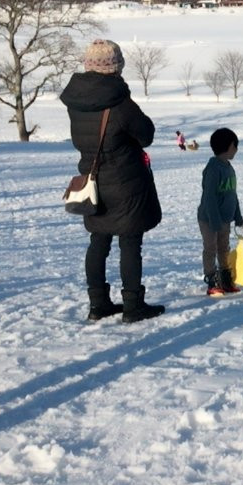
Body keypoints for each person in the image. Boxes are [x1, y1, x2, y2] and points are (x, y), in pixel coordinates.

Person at [60, 39, 164, 323]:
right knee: (130, 243)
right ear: (116, 67)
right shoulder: (119, 102)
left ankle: (98, 304)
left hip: (92, 179)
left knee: (99, 241)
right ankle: (133, 305)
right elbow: (146, 135)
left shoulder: (75, 101)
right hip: (126, 182)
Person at [197, 128, 243, 297]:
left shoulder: (229, 168)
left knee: (224, 249)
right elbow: (209, 197)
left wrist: (238, 216)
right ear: (227, 146)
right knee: (210, 248)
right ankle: (212, 281)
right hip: (209, 219)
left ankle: (226, 279)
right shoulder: (213, 169)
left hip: (224, 219)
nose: (236, 149)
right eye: (235, 146)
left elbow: (232, 194)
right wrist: (215, 221)